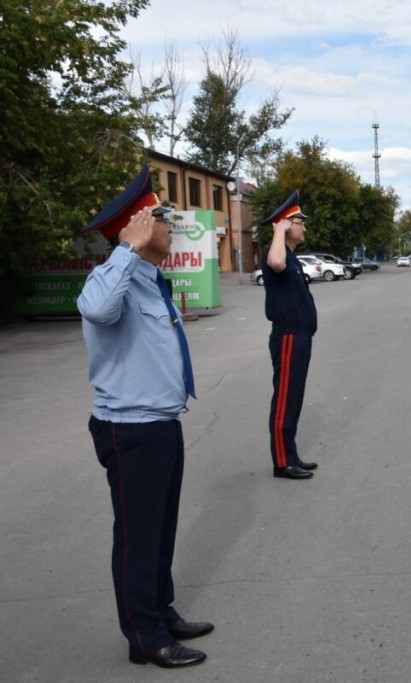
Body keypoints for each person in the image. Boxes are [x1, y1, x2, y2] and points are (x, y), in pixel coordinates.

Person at [77, 166, 213, 668]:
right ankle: (145, 636)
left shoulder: (150, 281)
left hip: (160, 423)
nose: (169, 224)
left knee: (160, 528)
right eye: (160, 216)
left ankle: (160, 609)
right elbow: (93, 309)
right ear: (136, 226)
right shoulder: (111, 280)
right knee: (137, 535)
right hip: (129, 427)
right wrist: (124, 250)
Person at [262, 191, 319, 480]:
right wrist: (279, 231)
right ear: (285, 225)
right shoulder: (278, 255)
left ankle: (291, 454)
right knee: (285, 398)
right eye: (299, 222)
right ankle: (282, 462)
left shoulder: (292, 256)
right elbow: (276, 264)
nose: (304, 227)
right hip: (288, 337)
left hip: (300, 337)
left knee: (294, 397)